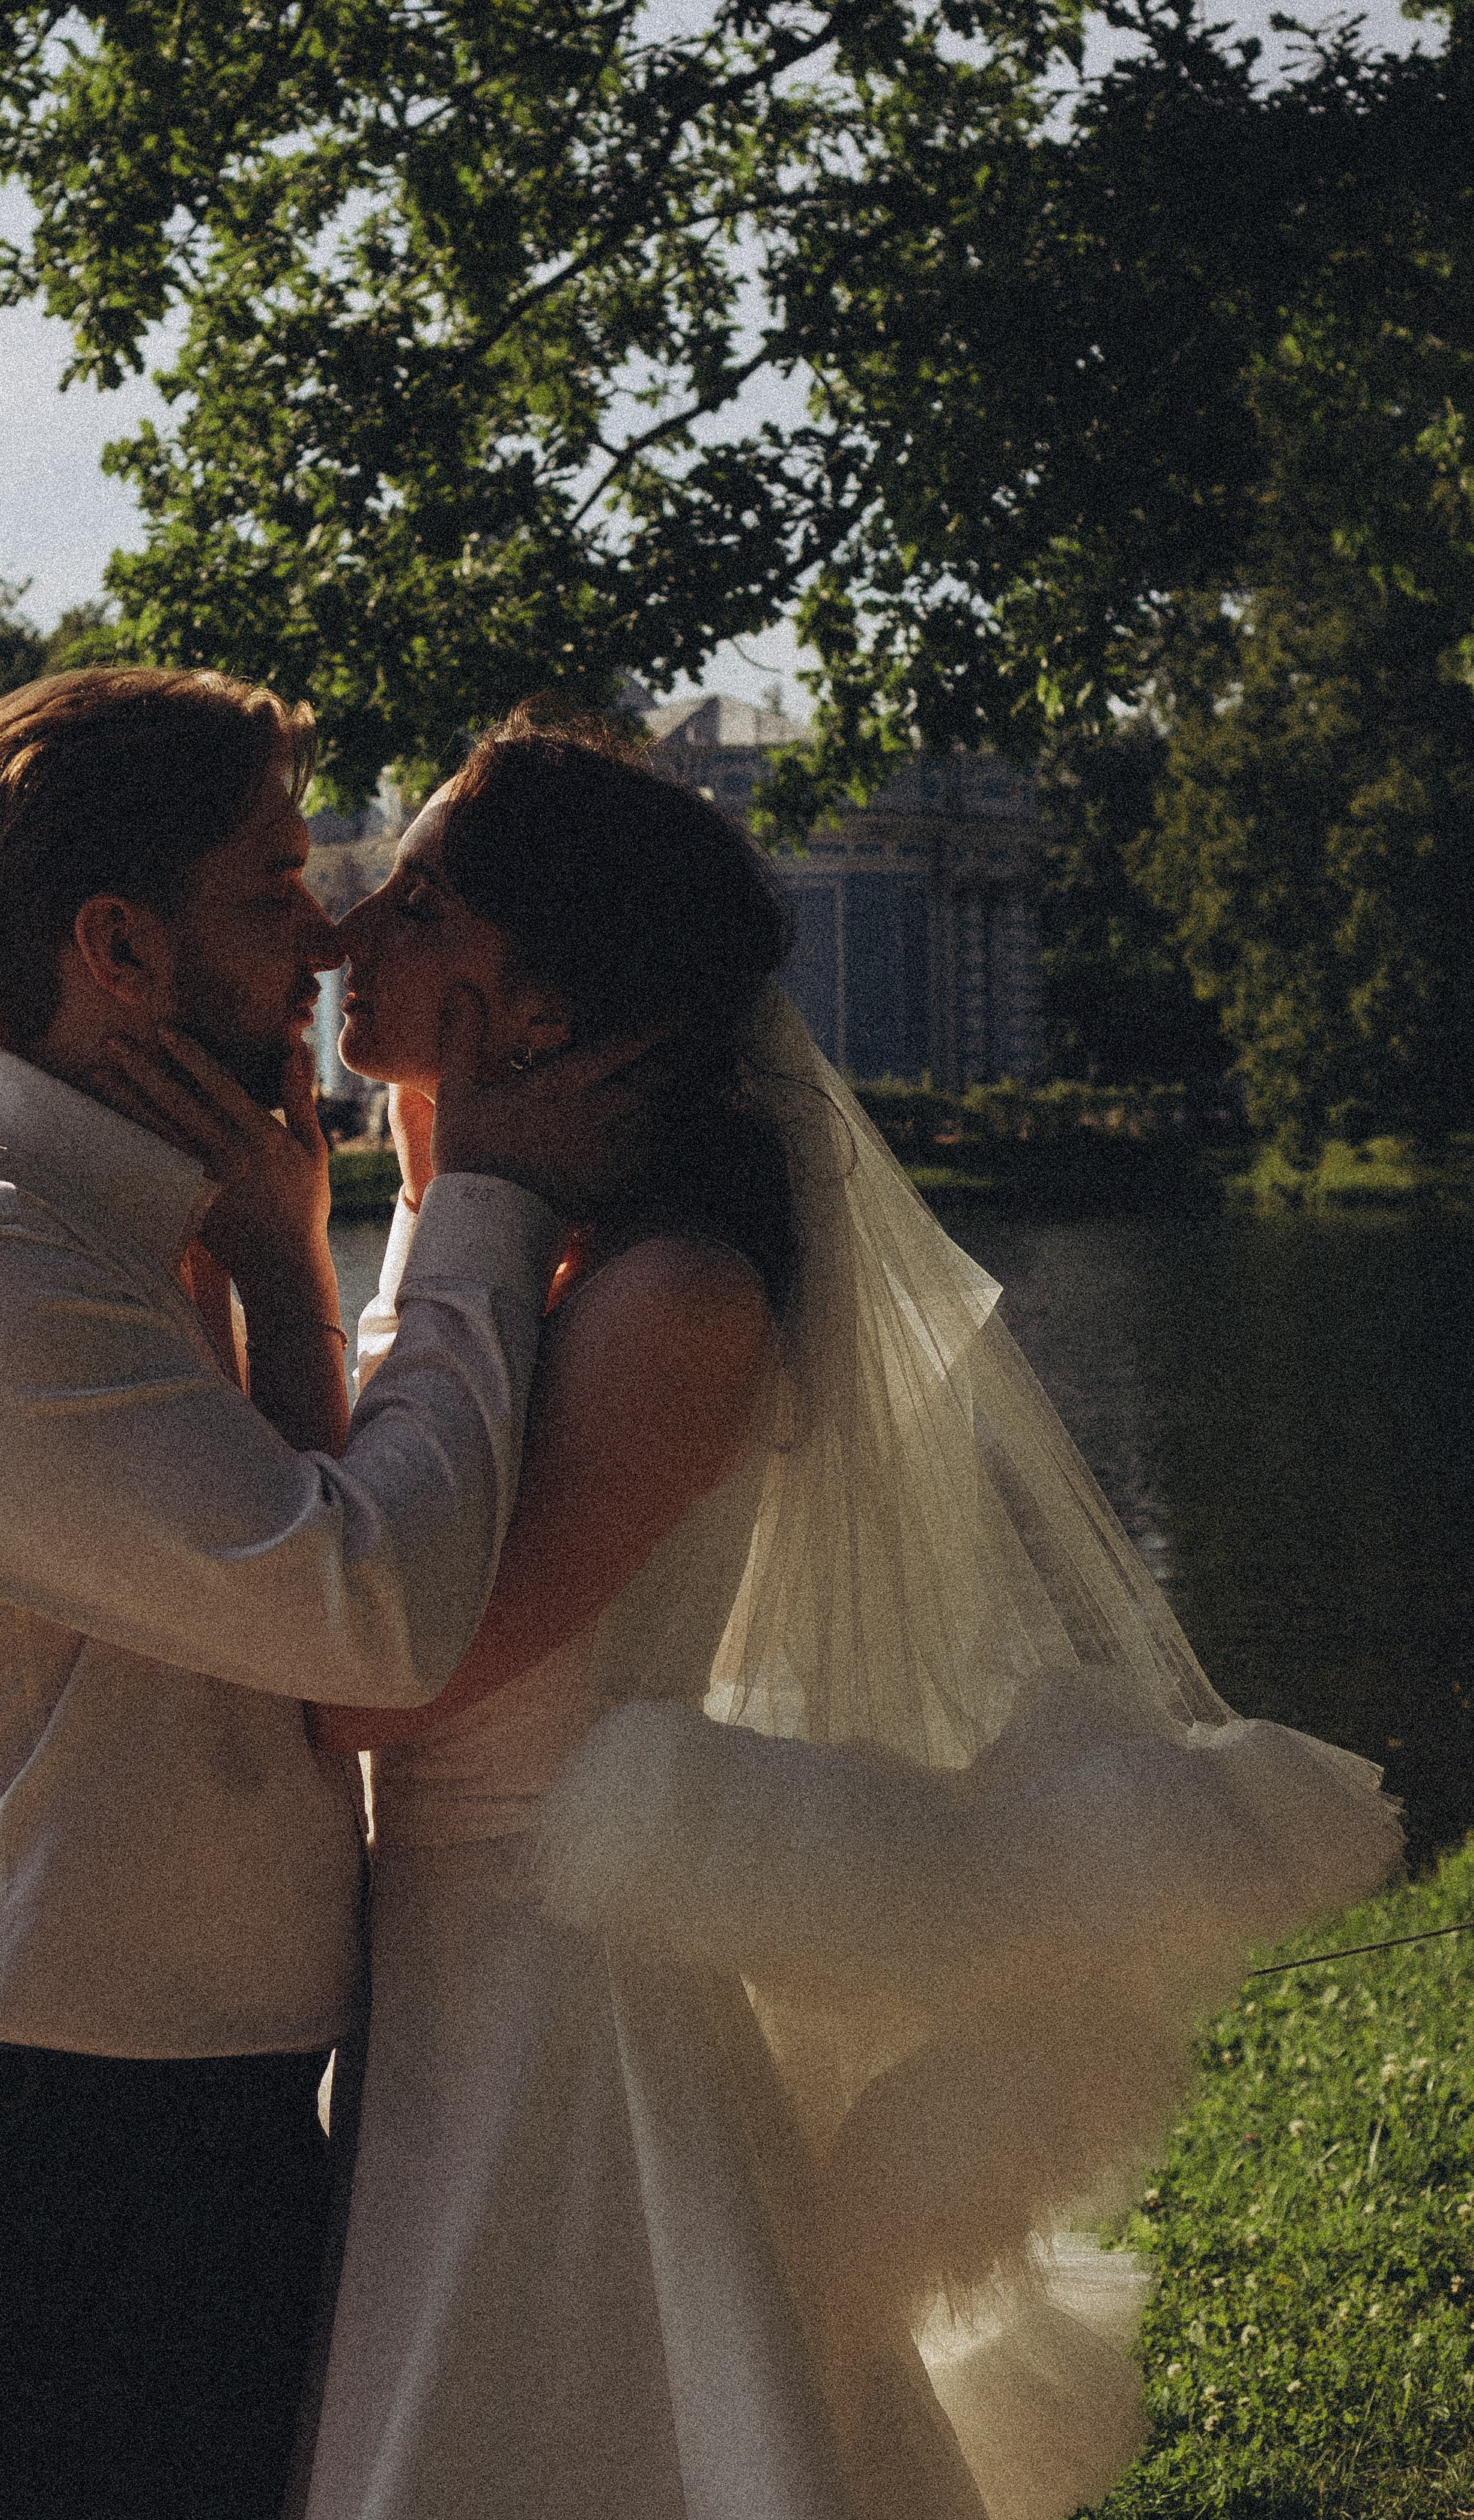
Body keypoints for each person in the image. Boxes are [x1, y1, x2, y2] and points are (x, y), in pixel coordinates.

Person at [261, 709, 1398, 2520]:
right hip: (448, 1979)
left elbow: (380, 1683)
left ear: (539, 998)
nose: (343, 934)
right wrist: (430, 1191)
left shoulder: (671, 1298)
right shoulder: (522, 1246)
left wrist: (373, 1234)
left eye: (414, 905)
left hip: (559, 2007)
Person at [0, 667, 646, 2520]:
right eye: (271, 887)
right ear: (116, 947)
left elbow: (313, 1628)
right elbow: (372, 1616)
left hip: (193, 2169)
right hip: (22, 2223)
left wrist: (284, 1269)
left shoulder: (125, 1228)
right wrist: (476, 1202)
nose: (325, 937)